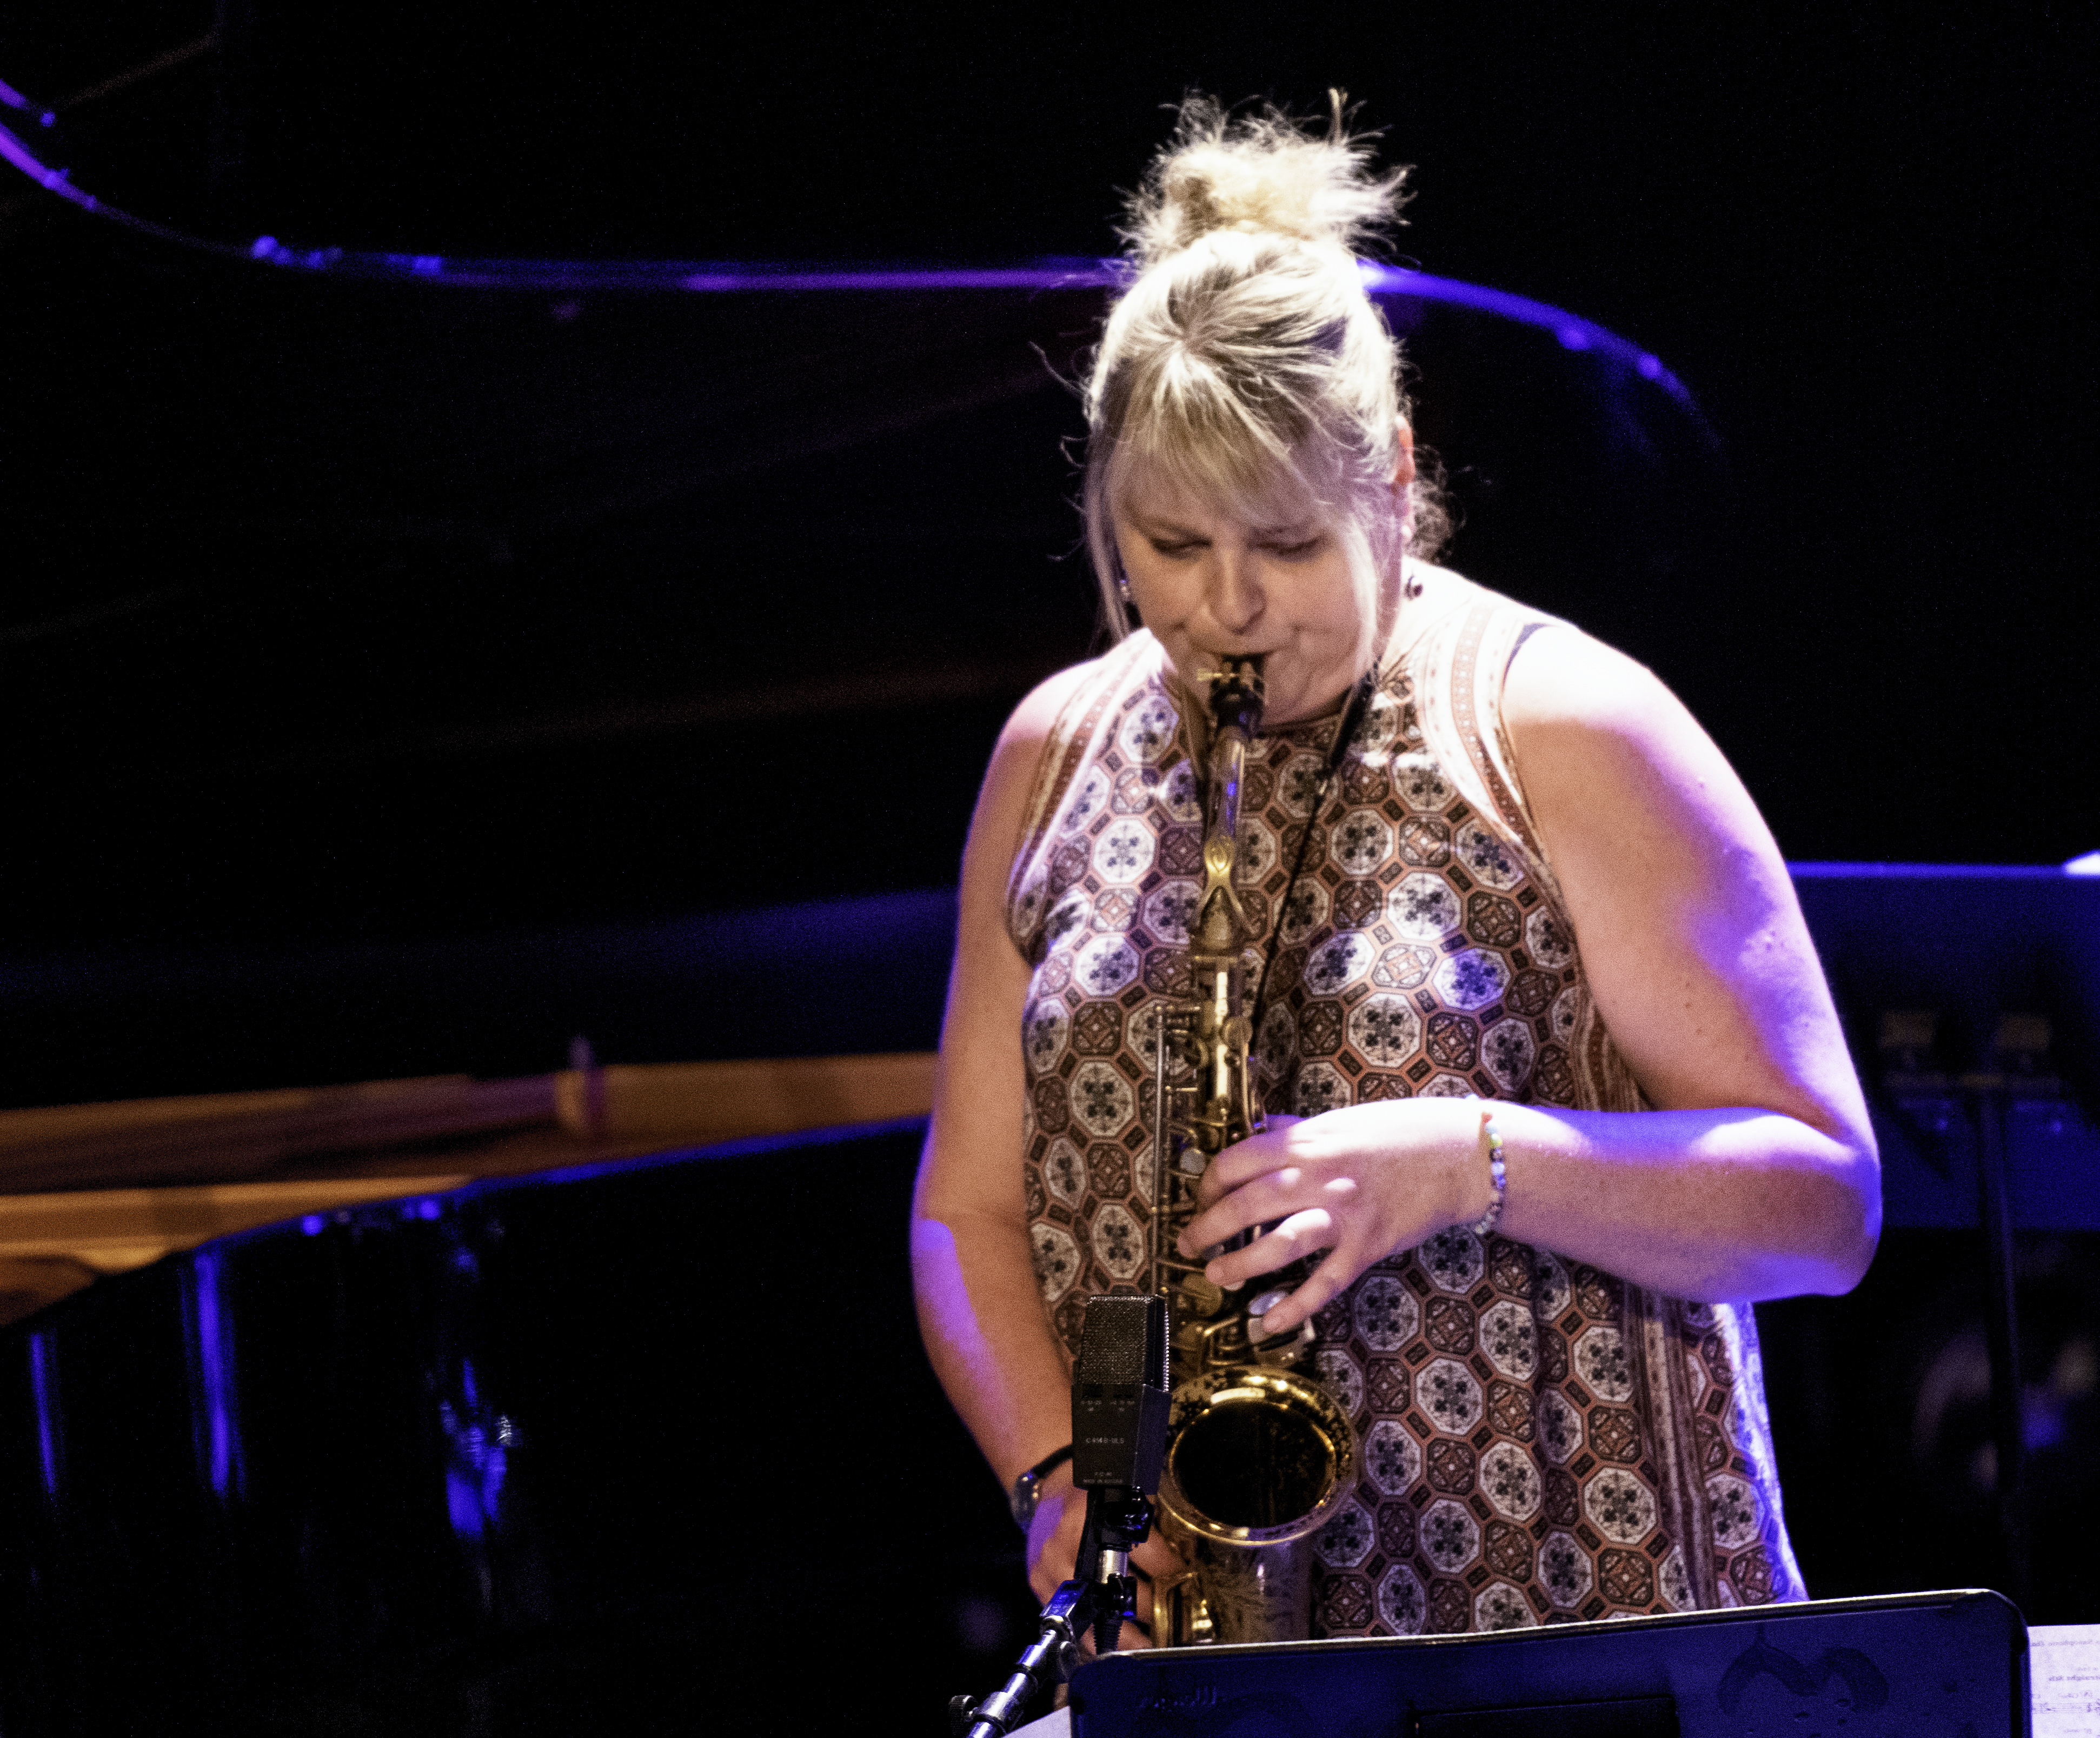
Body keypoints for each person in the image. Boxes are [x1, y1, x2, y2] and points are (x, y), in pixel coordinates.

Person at [910, 97, 1879, 1643]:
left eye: (1287, 547)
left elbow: (1820, 1207)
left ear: (1394, 478)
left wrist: (1467, 1158)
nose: (1226, 608)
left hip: (1569, 1625)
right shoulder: (1051, 752)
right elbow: (966, 1210)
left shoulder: (1563, 724)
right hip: (1202, 1643)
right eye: (1167, 545)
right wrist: (1055, 1476)